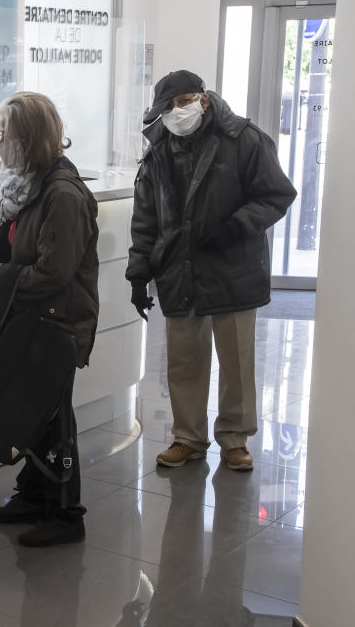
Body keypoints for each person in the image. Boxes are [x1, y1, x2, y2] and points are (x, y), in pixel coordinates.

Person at [126, 70, 296, 471]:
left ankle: (234, 438)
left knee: (235, 360)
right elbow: (145, 218)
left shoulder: (244, 139)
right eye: (166, 107)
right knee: (184, 360)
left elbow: (276, 193)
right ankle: (188, 437)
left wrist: (235, 227)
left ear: (202, 99)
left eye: (181, 102)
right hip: (178, 270)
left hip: (233, 267)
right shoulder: (157, 152)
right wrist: (138, 272)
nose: (174, 112)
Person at [0, 92, 100, 547]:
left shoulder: (62, 193)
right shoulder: (33, 184)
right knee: (34, 415)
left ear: (30, 138)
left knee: (54, 418)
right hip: (33, 321)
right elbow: (32, 248)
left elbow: (51, 273)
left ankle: (65, 513)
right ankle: (34, 496)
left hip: (56, 323)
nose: (0, 141)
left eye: (7, 133)